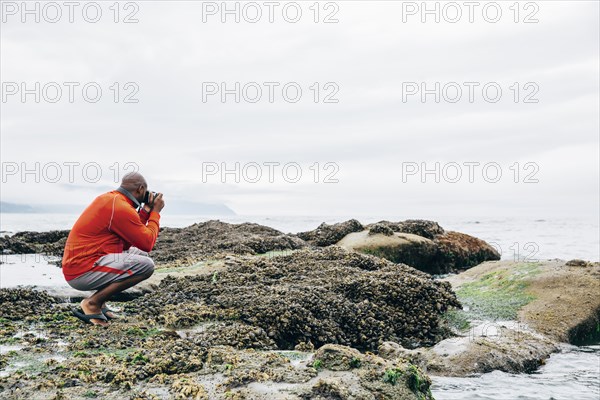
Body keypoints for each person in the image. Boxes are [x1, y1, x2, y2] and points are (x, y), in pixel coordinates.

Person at [62, 172, 165, 326]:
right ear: (141, 189)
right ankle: (93, 303)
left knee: (140, 254)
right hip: (81, 271)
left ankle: (101, 304)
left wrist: (145, 212)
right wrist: (155, 213)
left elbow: (126, 243)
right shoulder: (120, 207)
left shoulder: (112, 200)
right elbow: (147, 242)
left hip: (83, 263)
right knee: (146, 265)